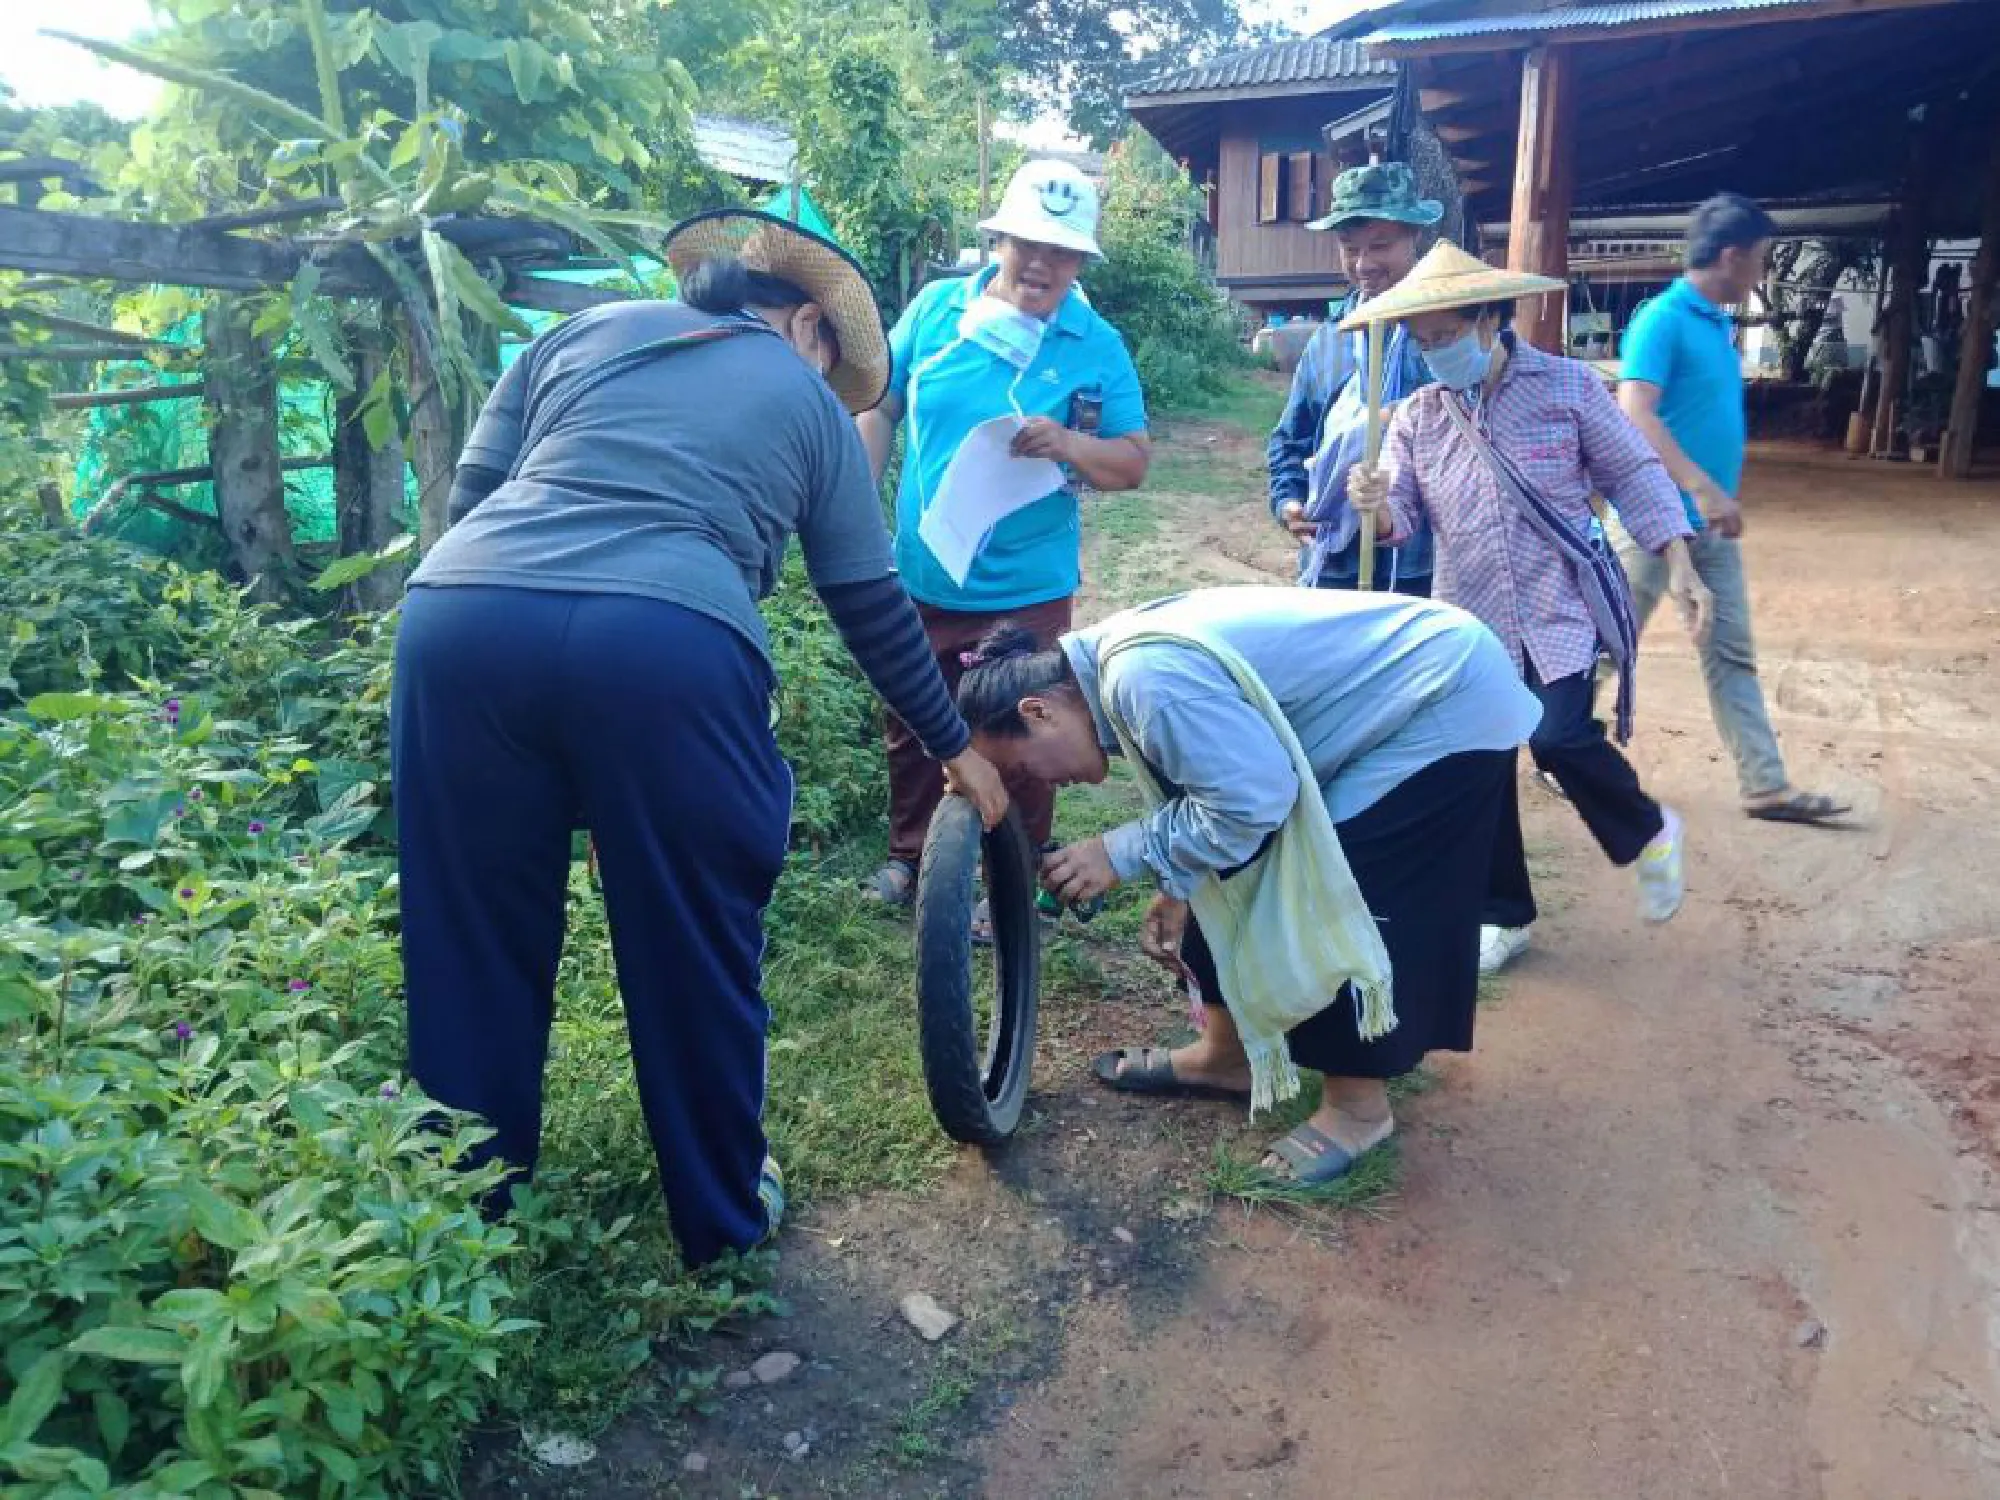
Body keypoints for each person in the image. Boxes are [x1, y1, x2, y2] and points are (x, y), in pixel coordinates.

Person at [392, 210, 1009, 1268]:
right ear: (808, 326)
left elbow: (470, 497)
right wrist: (955, 745)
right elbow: (866, 602)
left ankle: (466, 1224)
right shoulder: (805, 405)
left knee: (468, 933)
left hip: (458, 619)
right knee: (692, 932)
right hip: (667, 641)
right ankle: (720, 1218)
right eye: (836, 360)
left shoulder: (570, 337)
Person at [956, 587, 1541, 1184]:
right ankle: (1227, 1058)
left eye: (1025, 766)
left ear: (1037, 711)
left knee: (1342, 884)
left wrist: (1120, 851)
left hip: (1442, 697)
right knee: (1237, 862)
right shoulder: (1114, 674)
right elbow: (1212, 792)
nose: (1044, 782)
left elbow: (1251, 801)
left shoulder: (1144, 681)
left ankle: (1358, 1110)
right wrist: (1178, 881)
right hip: (1390, 698)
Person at [1347, 242, 1715, 976]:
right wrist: (1375, 508)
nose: (1433, 354)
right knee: (1480, 765)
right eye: (1422, 342)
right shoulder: (1417, 417)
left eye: (1445, 336)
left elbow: (1633, 472)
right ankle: (1503, 913)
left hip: (1559, 609)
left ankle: (1647, 831)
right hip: (1467, 619)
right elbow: (1404, 518)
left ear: (1489, 321)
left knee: (1556, 738)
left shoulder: (1568, 388)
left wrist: (1679, 562)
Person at [856, 159, 1151, 926]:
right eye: (1028, 245)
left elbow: (1131, 461)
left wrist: (1067, 445)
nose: (1044, 264)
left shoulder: (1095, 343)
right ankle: (911, 855)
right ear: (998, 240)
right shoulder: (935, 311)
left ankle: (1012, 878)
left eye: (1063, 252)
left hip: (1026, 584)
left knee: (1025, 727)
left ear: (1083, 261)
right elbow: (880, 406)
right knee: (913, 717)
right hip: (923, 569)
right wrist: (857, 508)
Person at [1614, 193, 1850, 827]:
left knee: (1731, 654)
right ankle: (1559, 752)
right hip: (1650, 521)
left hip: (1708, 526)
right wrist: (1700, 487)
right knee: (1609, 647)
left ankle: (1765, 785)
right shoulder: (1663, 318)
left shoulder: (1716, 323)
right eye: (1762, 258)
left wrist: (1716, 498)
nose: (1764, 271)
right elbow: (1634, 410)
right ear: (1732, 254)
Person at [1268, 162, 1440, 595]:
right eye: (1349, 247)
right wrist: (1288, 502)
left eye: (1380, 246)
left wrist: (1389, 418)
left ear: (1413, 237)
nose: (1364, 264)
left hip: (1422, 567)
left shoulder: (1447, 331)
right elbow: (1292, 438)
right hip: (1333, 563)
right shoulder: (1328, 341)